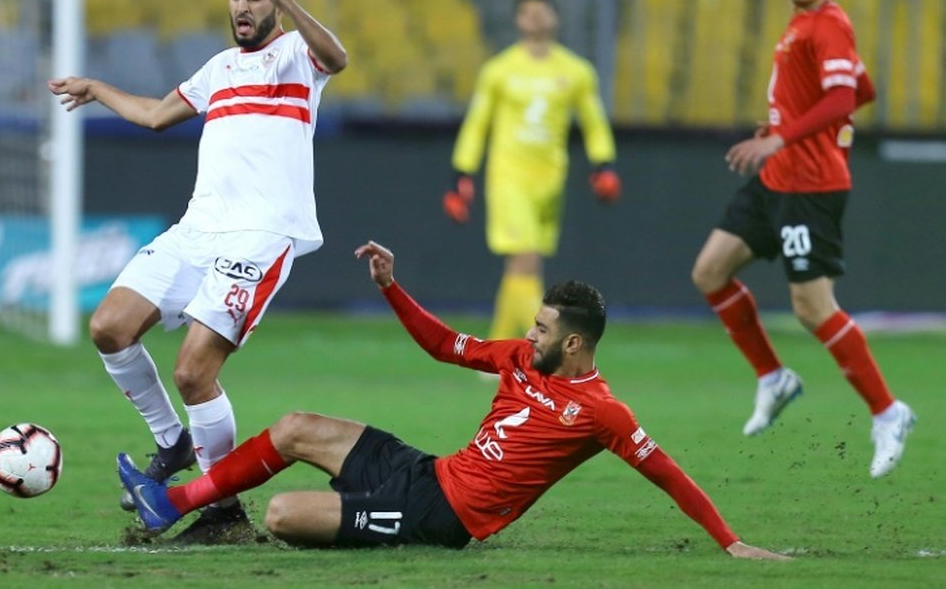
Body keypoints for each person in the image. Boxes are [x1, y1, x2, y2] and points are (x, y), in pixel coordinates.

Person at [118, 240, 788, 560]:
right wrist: (391, 285)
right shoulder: (523, 358)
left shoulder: (601, 411)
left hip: (445, 517)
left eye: (544, 329)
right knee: (295, 426)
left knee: (287, 513)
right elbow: (444, 345)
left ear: (577, 342)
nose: (530, 334)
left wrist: (729, 541)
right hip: (429, 473)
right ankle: (169, 501)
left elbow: (666, 471)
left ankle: (339, 523)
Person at [49, 0, 347, 542]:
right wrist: (95, 88)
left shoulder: (297, 58)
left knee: (193, 372)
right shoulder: (218, 69)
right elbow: (158, 114)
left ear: (277, 0)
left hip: (262, 236)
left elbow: (338, 57)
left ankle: (223, 513)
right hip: (196, 231)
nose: (242, 6)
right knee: (109, 326)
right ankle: (172, 441)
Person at [691, 0, 915, 479]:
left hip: (809, 187)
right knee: (710, 272)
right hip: (776, 180)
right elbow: (861, 89)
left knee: (813, 309)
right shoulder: (801, 25)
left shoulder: (829, 24)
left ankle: (889, 413)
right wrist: (789, 131)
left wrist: (783, 137)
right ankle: (773, 377)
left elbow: (843, 99)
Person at [443, 0, 621, 340]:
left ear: (555, 18)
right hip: (508, 176)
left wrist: (604, 164)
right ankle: (545, 345)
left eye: (542, 11)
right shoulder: (500, 70)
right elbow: (478, 123)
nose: (535, 17)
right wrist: (461, 172)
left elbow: (593, 122)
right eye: (527, 12)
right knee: (525, 259)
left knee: (523, 265)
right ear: (518, 20)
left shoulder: (576, 71)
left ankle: (494, 350)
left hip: (550, 180)